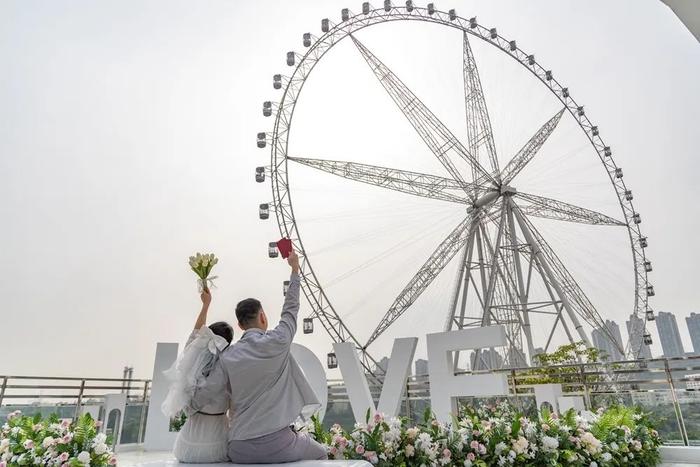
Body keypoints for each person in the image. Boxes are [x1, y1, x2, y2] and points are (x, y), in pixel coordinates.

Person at [192, 250, 327, 463]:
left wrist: (185, 400)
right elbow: (291, 308)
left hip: (239, 449)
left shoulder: (228, 356)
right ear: (263, 317)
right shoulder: (279, 340)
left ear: (239, 325)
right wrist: (294, 270)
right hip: (280, 444)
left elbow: (206, 392)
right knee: (321, 454)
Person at [161, 286, 233, 464]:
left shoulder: (192, 357)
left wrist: (206, 305)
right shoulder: (229, 364)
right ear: (228, 343)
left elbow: (195, 334)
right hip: (218, 444)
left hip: (187, 446)